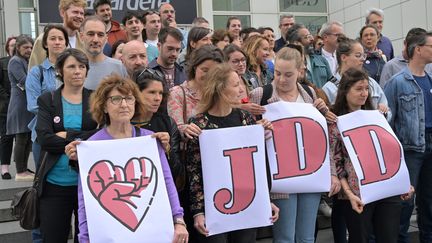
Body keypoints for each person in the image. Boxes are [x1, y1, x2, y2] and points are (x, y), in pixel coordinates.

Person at [66, 74, 188, 243]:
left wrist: (178, 220)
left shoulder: (151, 139)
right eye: (116, 99)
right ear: (104, 106)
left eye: (129, 99)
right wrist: (85, 237)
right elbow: (85, 198)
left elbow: (166, 182)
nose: (124, 104)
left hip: (152, 231)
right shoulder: (92, 146)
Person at [249, 47, 336, 243]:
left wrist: (331, 172)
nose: (281, 79)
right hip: (280, 176)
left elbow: (321, 138)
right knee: (284, 238)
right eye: (277, 73)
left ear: (300, 71)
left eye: (288, 74)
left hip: (310, 173)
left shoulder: (310, 93)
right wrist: (257, 129)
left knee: (306, 237)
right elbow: (245, 135)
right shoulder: (260, 94)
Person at [186, 63, 279, 242]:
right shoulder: (198, 124)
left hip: (247, 203)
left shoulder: (246, 118)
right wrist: (198, 212)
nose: (241, 89)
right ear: (220, 89)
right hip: (214, 208)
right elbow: (194, 171)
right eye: (235, 85)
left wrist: (265, 199)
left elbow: (257, 166)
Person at [330, 68, 413, 243]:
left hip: (386, 189)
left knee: (389, 238)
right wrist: (349, 194)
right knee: (360, 238)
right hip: (356, 193)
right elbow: (336, 164)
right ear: (346, 90)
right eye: (359, 89)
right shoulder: (336, 121)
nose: (364, 93)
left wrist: (403, 183)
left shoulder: (376, 116)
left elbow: (391, 152)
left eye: (366, 89)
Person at [35, 48, 98, 243]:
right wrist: (83, 139)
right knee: (53, 237)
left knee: (87, 238)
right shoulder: (48, 99)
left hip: (90, 184)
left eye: (82, 66)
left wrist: (67, 135)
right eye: (71, 66)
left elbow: (101, 136)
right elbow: (45, 139)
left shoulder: (96, 98)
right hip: (55, 184)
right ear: (60, 70)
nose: (77, 71)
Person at [384, 30, 432, 243]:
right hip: (409, 150)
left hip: (430, 145)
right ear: (418, 49)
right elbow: (387, 121)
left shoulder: (430, 80)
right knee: (405, 202)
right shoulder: (397, 82)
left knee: (429, 201)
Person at [131, 67, 184, 191]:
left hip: (160, 191)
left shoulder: (168, 123)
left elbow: (177, 171)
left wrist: (167, 150)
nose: (157, 98)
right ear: (137, 93)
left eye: (160, 93)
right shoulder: (121, 122)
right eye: (152, 92)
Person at [26, 24, 69, 170]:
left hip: (69, 132)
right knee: (43, 178)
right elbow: (32, 105)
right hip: (44, 133)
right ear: (45, 43)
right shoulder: (36, 73)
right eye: (52, 38)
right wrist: (59, 115)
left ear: (66, 43)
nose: (57, 42)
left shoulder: (73, 71)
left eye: (60, 39)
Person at [167, 45, 224, 137]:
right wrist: (185, 129)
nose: (209, 75)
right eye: (205, 70)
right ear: (194, 68)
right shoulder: (177, 93)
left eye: (214, 71)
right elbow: (175, 128)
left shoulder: (220, 91)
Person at [322, 36, 388, 109]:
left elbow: (388, 111)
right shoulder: (329, 89)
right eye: (358, 55)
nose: (363, 59)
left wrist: (384, 112)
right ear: (343, 57)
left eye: (364, 56)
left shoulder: (372, 83)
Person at [6, 34, 34, 181]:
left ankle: (24, 169)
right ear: (18, 48)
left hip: (26, 103)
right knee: (21, 137)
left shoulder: (25, 60)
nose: (29, 50)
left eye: (30, 47)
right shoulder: (15, 61)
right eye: (25, 47)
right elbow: (24, 80)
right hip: (19, 104)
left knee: (27, 137)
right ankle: (20, 171)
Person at [29, 0, 86, 70]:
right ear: (62, 13)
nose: (79, 16)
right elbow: (33, 72)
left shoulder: (84, 41)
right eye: (75, 12)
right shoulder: (43, 40)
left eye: (82, 13)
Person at [80, 16, 127, 90]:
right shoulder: (73, 67)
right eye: (91, 34)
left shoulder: (119, 67)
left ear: (106, 39)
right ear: (81, 36)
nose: (95, 39)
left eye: (100, 35)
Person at [286, 24, 333, 88]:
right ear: (296, 42)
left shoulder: (322, 60)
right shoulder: (288, 63)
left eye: (310, 35)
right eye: (307, 37)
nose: (312, 39)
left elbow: (332, 84)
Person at [0, 36, 16, 179]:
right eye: (11, 45)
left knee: (24, 138)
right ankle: (4, 168)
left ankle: (21, 168)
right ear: (7, 48)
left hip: (20, 105)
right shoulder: (2, 63)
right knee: (6, 137)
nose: (14, 47)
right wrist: (6, 98)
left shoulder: (25, 63)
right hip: (6, 106)